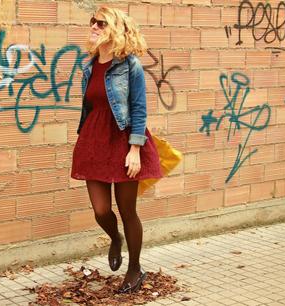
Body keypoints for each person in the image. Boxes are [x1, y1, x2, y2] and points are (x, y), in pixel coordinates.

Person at [71, 6, 162, 293]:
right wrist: (82, 138)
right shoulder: (89, 66)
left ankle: (135, 268)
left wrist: (135, 149)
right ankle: (115, 239)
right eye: (93, 22)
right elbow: (89, 108)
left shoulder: (130, 65)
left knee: (127, 210)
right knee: (100, 211)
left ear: (115, 30)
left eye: (101, 23)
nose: (94, 27)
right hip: (94, 142)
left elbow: (138, 108)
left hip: (123, 142)